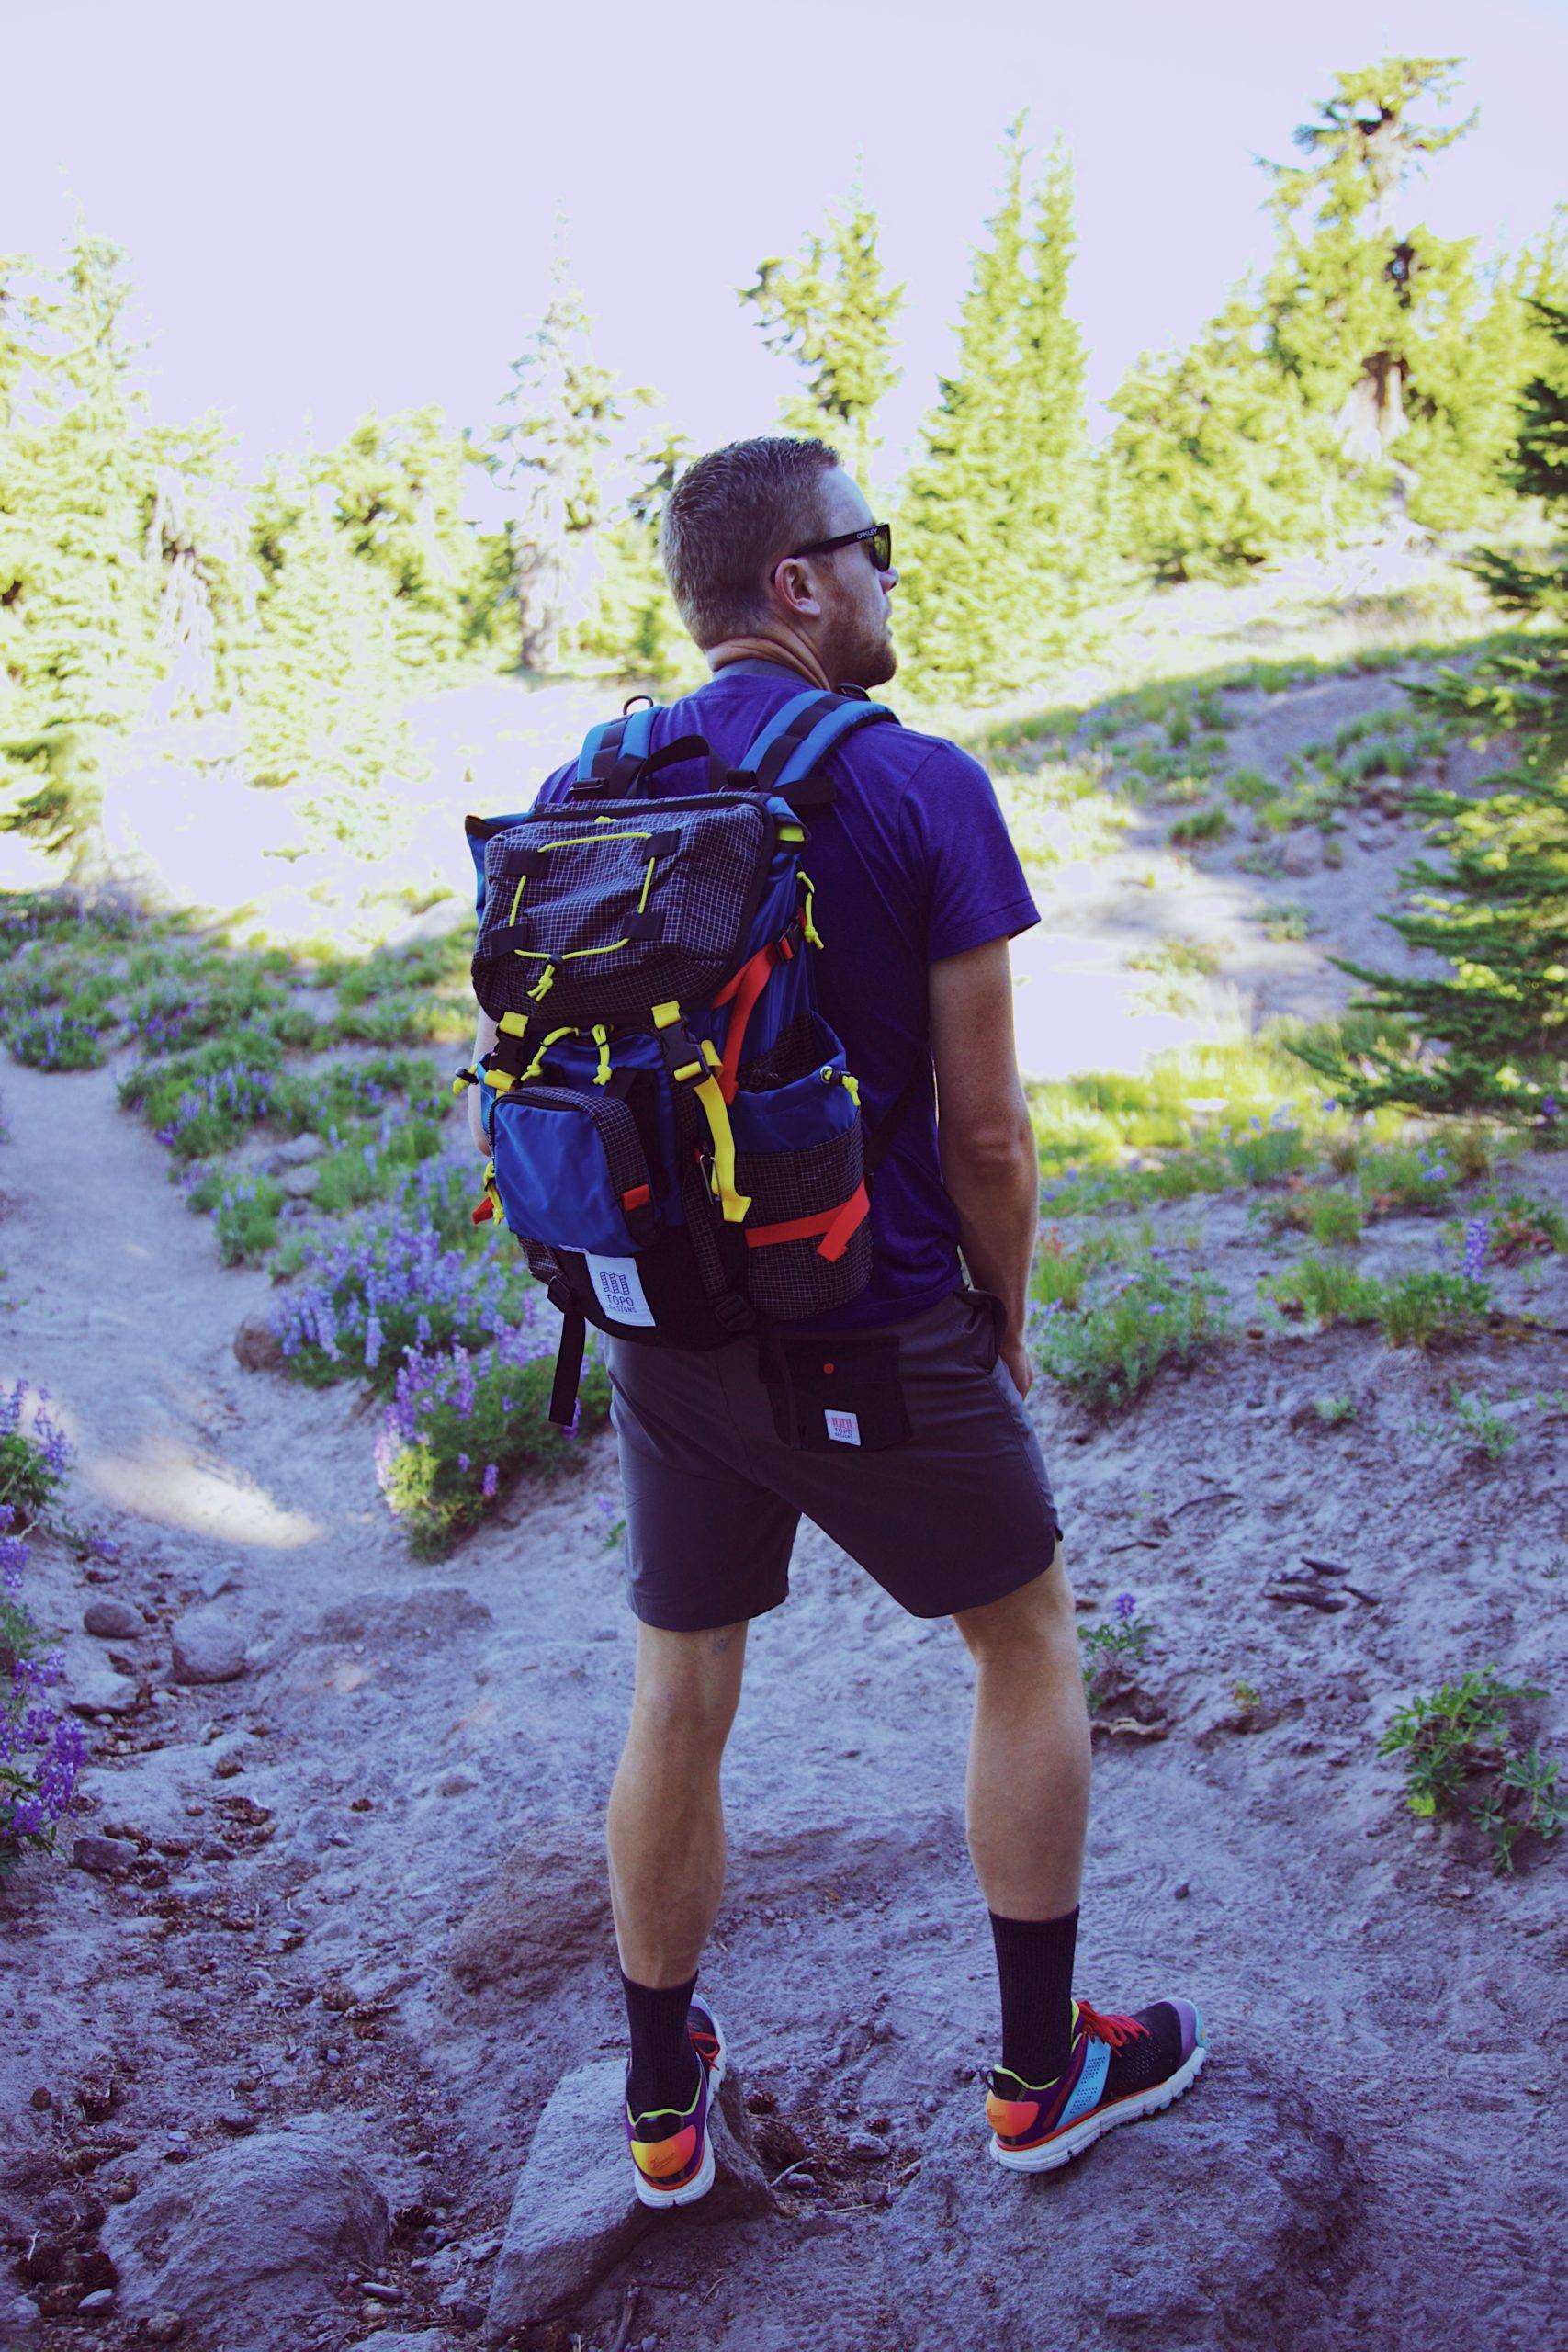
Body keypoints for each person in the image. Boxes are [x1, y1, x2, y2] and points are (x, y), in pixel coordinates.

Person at [467, 435, 1204, 2204]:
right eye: (868, 546)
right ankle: (1043, 2074)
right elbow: (990, 1135)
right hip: (869, 1321)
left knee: (681, 1688)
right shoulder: (921, 785)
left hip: (664, 1325)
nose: (887, 575)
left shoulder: (591, 775)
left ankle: (660, 2102)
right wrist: (1004, 1319)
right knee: (1022, 1642)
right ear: (796, 584)